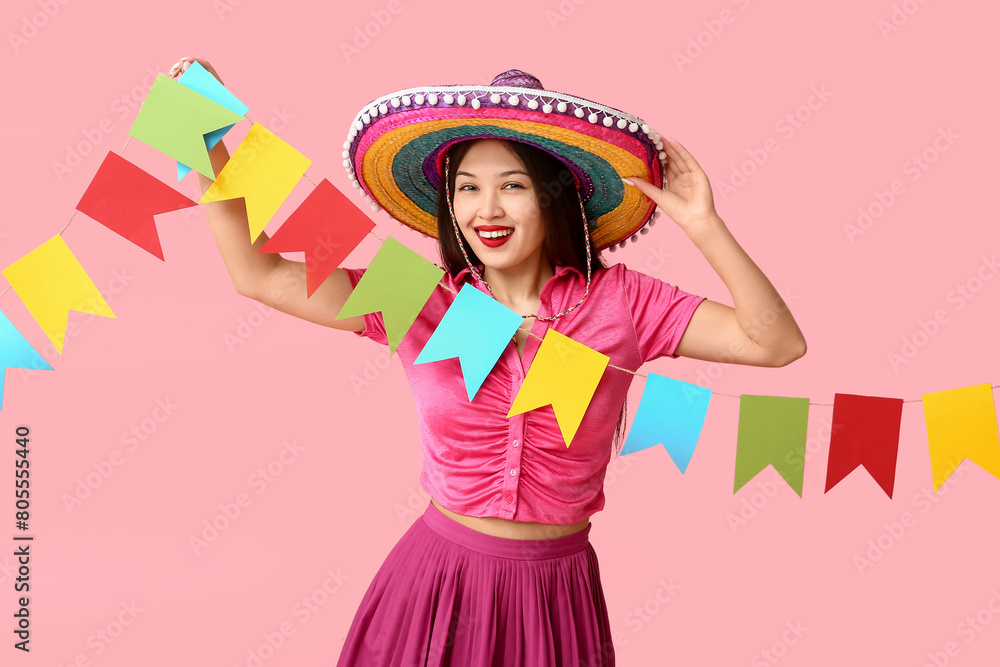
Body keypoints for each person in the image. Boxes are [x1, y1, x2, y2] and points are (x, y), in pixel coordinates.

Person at [168, 58, 806, 666]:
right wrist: (203, 134)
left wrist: (703, 225)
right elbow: (257, 274)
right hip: (436, 586)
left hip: (557, 602)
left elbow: (773, 343)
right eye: (467, 188)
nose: (486, 210)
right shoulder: (421, 298)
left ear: (556, 198)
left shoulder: (623, 303)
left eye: (513, 187)